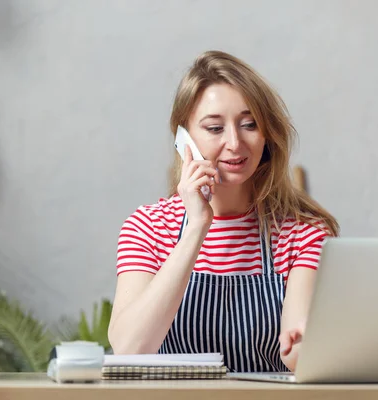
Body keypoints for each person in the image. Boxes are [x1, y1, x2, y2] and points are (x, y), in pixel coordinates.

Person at [107, 50, 339, 373]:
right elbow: (130, 348)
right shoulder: (147, 228)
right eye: (215, 128)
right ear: (183, 139)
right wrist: (196, 228)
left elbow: (298, 347)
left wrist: (303, 346)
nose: (235, 142)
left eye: (249, 124)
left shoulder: (302, 234)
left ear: (267, 134)